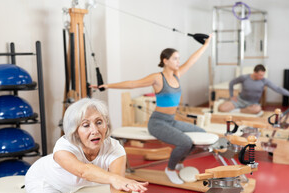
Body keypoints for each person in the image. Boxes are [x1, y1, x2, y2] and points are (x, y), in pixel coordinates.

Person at [91, 35, 212, 184]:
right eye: (175, 58)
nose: (178, 61)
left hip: (171, 121)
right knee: (185, 142)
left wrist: (206, 44)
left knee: (201, 133)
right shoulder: (157, 78)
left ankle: (179, 160)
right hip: (157, 122)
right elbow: (132, 84)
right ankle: (170, 169)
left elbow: (193, 59)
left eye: (179, 58)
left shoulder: (177, 74)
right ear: (165, 61)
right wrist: (107, 86)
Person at [25, 98, 148, 193]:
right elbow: (84, 171)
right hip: (44, 181)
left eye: (99, 122)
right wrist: (116, 179)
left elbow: (116, 187)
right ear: (75, 131)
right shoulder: (63, 147)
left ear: (106, 124)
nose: (95, 130)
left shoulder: (115, 149)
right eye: (86, 125)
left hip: (76, 186)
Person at [218, 64, 289, 114]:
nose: (262, 77)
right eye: (260, 75)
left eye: (263, 75)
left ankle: (239, 111)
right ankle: (244, 109)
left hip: (253, 103)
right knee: (221, 108)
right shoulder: (244, 77)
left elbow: (277, 89)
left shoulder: (264, 80)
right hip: (239, 100)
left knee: (257, 110)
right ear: (254, 72)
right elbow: (231, 83)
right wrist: (232, 96)